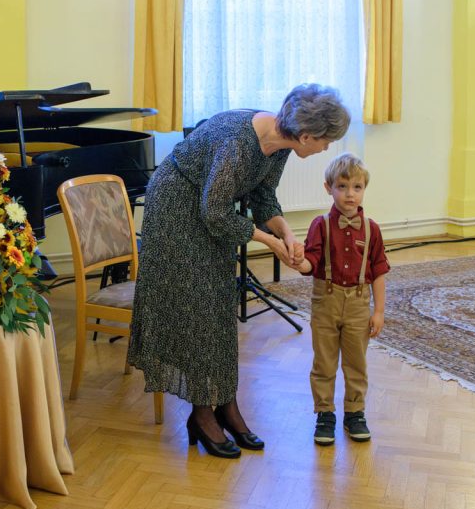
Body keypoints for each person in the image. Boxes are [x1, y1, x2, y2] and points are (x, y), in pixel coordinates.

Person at [128, 84, 351, 458]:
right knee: (197, 309)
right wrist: (269, 242)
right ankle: (202, 413)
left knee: (219, 304)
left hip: (205, 210)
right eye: (327, 142)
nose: (326, 149)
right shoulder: (236, 143)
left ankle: (225, 404)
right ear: (308, 136)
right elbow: (215, 214)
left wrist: (287, 234)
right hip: (176, 212)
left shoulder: (281, 142)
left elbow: (263, 196)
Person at [296, 152, 389, 445]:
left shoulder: (372, 229)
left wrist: (379, 311)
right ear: (329, 188)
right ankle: (325, 414)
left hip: (359, 305)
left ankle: (355, 412)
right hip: (326, 302)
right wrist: (301, 262)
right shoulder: (319, 225)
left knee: (355, 362)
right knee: (324, 362)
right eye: (343, 187)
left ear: (364, 189)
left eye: (357, 187)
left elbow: (378, 271)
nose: (350, 194)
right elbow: (311, 262)